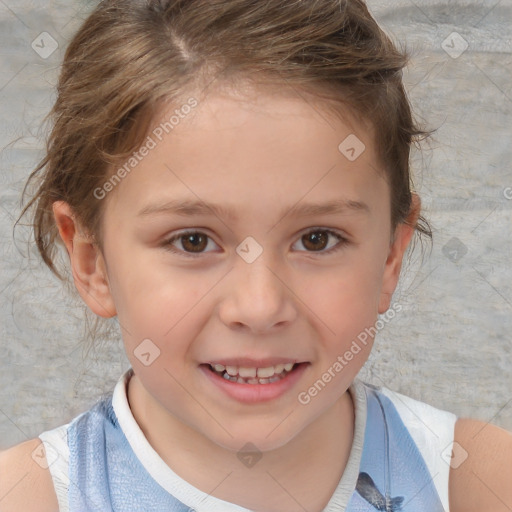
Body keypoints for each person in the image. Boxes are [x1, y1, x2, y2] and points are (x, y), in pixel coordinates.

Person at [1, 0, 511, 511]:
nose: (260, 306)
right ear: (92, 262)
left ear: (389, 258)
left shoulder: (479, 482)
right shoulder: (28, 496)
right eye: (192, 241)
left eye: (317, 239)